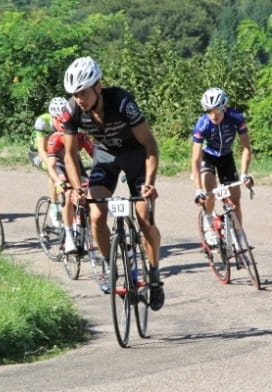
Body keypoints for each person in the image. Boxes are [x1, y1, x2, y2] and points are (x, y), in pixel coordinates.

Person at [61, 56, 164, 311]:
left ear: (98, 86)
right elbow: (70, 155)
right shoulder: (73, 110)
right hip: (105, 156)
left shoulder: (121, 102)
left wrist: (149, 183)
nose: (79, 99)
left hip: (136, 154)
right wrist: (76, 189)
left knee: (145, 219)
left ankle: (153, 276)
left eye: (83, 92)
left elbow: (150, 144)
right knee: (96, 214)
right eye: (75, 94)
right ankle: (111, 266)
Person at [191, 87, 253, 246]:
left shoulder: (236, 118)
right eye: (209, 111)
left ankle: (238, 233)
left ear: (224, 107)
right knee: (210, 193)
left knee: (235, 201)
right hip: (208, 157)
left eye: (217, 110)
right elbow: (196, 159)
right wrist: (198, 189)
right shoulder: (202, 124)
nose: (213, 115)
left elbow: (246, 147)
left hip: (226, 157)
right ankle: (208, 223)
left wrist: (244, 173)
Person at [46, 113, 94, 254]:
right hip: (60, 166)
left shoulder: (82, 137)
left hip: (74, 164)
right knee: (67, 194)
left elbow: (96, 156)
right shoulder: (55, 139)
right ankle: (68, 238)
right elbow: (51, 166)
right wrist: (58, 182)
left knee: (90, 195)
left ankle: (87, 231)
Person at [28, 97, 69, 227]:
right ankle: (54, 206)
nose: (61, 122)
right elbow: (41, 150)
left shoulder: (68, 120)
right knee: (53, 169)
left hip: (54, 151)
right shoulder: (42, 122)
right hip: (37, 153)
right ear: (52, 116)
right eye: (58, 119)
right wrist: (53, 168)